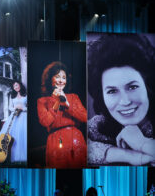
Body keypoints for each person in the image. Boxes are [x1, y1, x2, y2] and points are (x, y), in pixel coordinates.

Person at [87, 33, 155, 166]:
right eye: (112, 91)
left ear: (148, 86)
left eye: (132, 87)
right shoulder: (98, 125)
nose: (125, 101)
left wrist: (143, 143)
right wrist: (126, 155)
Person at [37, 61, 87, 168]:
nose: (61, 80)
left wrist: (67, 104)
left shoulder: (74, 97)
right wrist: (57, 102)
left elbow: (85, 117)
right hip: (55, 141)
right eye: (57, 77)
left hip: (76, 139)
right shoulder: (42, 101)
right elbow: (45, 122)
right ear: (50, 79)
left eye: (64, 77)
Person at [0, 81, 27, 164]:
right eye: (14, 86)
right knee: (10, 134)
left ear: (20, 85)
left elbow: (28, 107)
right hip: (14, 116)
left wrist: (23, 109)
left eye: (17, 85)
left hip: (24, 116)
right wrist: (15, 109)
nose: (16, 87)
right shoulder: (12, 96)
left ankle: (21, 154)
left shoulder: (26, 95)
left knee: (22, 134)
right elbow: (10, 107)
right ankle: (6, 152)